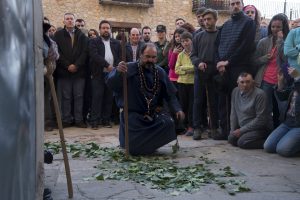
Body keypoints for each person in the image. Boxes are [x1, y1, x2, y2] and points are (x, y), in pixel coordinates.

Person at [106, 43, 184, 155]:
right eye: (147, 57)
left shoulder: (160, 72)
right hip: (133, 117)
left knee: (169, 123)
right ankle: (141, 146)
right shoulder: (127, 67)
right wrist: (118, 72)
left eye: (153, 57)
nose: (150, 60)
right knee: (132, 147)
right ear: (140, 55)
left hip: (152, 116)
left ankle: (147, 145)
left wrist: (177, 109)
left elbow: (170, 95)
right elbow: (111, 83)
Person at [215, 0, 256, 140]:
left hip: (239, 67)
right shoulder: (225, 25)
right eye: (232, 4)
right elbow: (217, 45)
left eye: (237, 3)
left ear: (242, 4)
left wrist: (228, 62)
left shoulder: (249, 23)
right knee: (223, 101)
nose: (235, 6)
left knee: (238, 101)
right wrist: (219, 63)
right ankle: (225, 130)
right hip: (223, 69)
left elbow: (246, 46)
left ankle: (238, 132)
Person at [254, 13, 290, 128]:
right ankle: (268, 132)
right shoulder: (263, 42)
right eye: (273, 27)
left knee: (281, 109)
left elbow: (285, 59)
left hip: (281, 81)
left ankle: (279, 132)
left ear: (283, 27)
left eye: (278, 27)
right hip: (265, 81)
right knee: (266, 109)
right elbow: (254, 61)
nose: (275, 29)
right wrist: (265, 58)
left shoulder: (289, 42)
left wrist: (280, 41)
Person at [54, 13, 88, 128]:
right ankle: (66, 120)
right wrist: (68, 65)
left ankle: (79, 120)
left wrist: (76, 65)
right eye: (67, 19)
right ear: (63, 21)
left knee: (79, 96)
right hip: (64, 72)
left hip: (79, 72)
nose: (69, 21)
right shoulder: (58, 35)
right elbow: (56, 52)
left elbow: (85, 52)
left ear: (74, 21)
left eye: (71, 19)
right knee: (66, 97)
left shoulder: (82, 35)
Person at [191, 9, 219, 140]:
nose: (206, 21)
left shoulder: (220, 35)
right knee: (198, 101)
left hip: (215, 72)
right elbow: (193, 55)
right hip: (200, 72)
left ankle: (213, 127)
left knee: (213, 101)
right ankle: (197, 127)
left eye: (209, 19)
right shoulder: (197, 37)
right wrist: (198, 63)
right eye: (204, 19)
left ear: (215, 20)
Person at [89, 20, 121, 129]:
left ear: (111, 30)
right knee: (97, 97)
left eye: (107, 28)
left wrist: (115, 68)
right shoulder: (94, 42)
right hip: (99, 74)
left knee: (108, 98)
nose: (106, 30)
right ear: (100, 30)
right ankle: (94, 121)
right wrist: (107, 65)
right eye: (103, 28)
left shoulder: (116, 42)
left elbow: (119, 57)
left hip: (112, 74)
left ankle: (106, 120)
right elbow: (95, 56)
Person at [228, 73, 273, 149]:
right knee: (231, 139)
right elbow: (233, 113)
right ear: (238, 83)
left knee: (242, 142)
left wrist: (241, 130)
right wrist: (233, 130)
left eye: (248, 82)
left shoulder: (260, 94)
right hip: (244, 127)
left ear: (252, 82)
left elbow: (261, 120)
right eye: (242, 82)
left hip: (260, 128)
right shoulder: (235, 91)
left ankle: (269, 142)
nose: (245, 85)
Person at [264, 71, 300, 157]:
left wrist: (297, 77)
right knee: (268, 147)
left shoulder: (297, 79)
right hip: (288, 122)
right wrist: (280, 83)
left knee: (283, 150)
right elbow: (283, 96)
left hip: (298, 125)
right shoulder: (295, 80)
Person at [175, 32, 194, 136]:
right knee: (183, 105)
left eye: (187, 40)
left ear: (191, 41)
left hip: (192, 83)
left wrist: (184, 68)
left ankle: (191, 125)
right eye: (183, 41)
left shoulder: (195, 53)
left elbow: (195, 68)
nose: (185, 43)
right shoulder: (180, 55)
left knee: (192, 105)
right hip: (182, 83)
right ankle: (183, 126)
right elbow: (177, 70)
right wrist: (187, 69)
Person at [43, 19, 59, 131]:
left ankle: (48, 122)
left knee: (46, 97)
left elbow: (55, 57)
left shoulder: (50, 42)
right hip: (33, 75)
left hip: (47, 73)